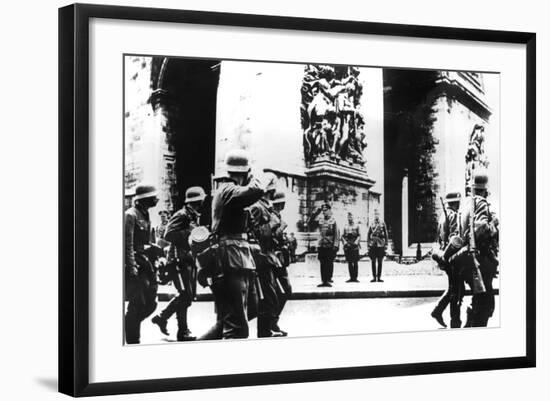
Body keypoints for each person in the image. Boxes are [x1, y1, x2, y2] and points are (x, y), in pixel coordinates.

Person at [208, 149, 265, 339]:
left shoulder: (230, 191)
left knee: (250, 309)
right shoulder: (228, 189)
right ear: (244, 172)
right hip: (230, 260)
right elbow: (257, 190)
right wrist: (254, 176)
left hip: (239, 258)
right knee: (236, 327)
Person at [150, 186, 206, 341]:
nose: (203, 202)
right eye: (201, 199)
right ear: (196, 200)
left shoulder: (192, 216)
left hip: (188, 259)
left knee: (187, 295)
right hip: (178, 260)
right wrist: (190, 233)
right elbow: (168, 234)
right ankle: (180, 329)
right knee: (186, 294)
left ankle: (165, 320)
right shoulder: (182, 215)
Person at [457, 172, 499, 327]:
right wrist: (493, 224)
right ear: (485, 190)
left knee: (479, 300)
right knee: (486, 304)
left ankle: (470, 327)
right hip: (480, 260)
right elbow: (481, 228)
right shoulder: (481, 203)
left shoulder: (466, 204)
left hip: (469, 259)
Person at [247, 173, 284, 338]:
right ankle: (264, 331)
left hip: (271, 256)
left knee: (279, 293)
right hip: (262, 257)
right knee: (268, 297)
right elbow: (253, 233)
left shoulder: (267, 207)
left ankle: (269, 327)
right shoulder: (257, 207)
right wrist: (272, 225)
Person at [124, 184, 160, 344]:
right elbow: (128, 244)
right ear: (144, 199)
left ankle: (131, 324)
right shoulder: (130, 215)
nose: (156, 199)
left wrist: (156, 251)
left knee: (151, 303)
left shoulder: (145, 214)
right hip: (136, 265)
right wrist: (131, 268)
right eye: (153, 196)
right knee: (137, 302)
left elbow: (146, 241)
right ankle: (133, 339)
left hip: (146, 264)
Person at [430, 191, 462, 328]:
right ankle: (455, 321)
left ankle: (438, 310)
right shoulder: (453, 216)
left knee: (454, 288)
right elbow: (455, 238)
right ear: (455, 202)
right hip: (452, 256)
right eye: (458, 202)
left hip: (444, 254)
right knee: (456, 291)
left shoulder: (443, 215)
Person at [271, 190, 292, 336]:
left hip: (280, 258)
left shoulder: (277, 215)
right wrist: (282, 227)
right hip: (273, 258)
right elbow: (271, 235)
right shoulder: (272, 216)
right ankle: (271, 322)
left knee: (285, 290)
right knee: (280, 291)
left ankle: (273, 321)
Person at [312, 203, 339, 287]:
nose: (324, 212)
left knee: (329, 262)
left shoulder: (333, 220)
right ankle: (323, 281)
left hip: (329, 245)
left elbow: (336, 234)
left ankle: (328, 279)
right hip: (321, 245)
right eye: (323, 210)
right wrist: (314, 213)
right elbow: (311, 224)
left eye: (325, 210)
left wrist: (335, 245)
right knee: (322, 262)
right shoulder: (320, 220)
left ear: (329, 210)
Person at [367, 212, 388, 282]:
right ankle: (374, 277)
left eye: (377, 214)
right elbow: (369, 234)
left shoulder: (382, 223)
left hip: (380, 244)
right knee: (373, 261)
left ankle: (379, 277)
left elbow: (386, 234)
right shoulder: (372, 223)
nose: (376, 216)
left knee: (380, 261)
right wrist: (368, 244)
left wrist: (386, 244)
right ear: (374, 215)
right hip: (373, 244)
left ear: (379, 215)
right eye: (375, 214)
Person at [341, 212, 361, 282]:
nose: (350, 218)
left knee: (355, 261)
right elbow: (342, 236)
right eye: (349, 217)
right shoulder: (345, 226)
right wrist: (345, 243)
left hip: (354, 245)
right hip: (348, 245)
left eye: (351, 217)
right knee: (349, 261)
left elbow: (359, 235)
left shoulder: (356, 226)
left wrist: (356, 242)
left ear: (353, 217)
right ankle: (351, 277)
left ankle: (355, 277)